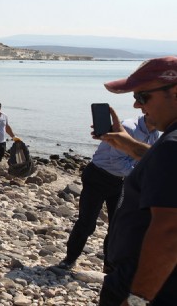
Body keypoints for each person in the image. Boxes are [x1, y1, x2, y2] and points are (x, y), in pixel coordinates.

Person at [96, 56, 177, 305]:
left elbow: (170, 230)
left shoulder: (171, 146)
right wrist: (127, 144)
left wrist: (137, 299)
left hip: (149, 285)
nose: (136, 106)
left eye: (142, 96)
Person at [57, 115, 159, 271]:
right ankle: (69, 259)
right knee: (87, 223)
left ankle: (109, 265)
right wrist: (140, 175)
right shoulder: (129, 128)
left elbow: (141, 160)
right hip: (98, 176)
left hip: (120, 181)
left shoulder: (154, 134)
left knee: (116, 226)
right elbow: (117, 161)